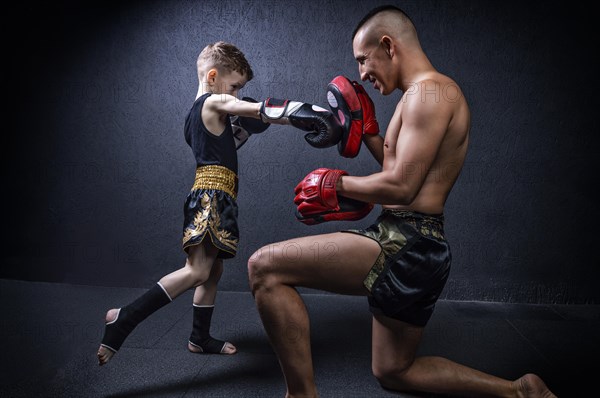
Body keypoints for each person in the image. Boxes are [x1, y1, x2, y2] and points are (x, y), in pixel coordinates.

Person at [247, 6, 556, 398]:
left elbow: (402, 189)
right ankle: (520, 391)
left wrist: (336, 182)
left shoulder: (432, 93)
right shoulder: (417, 96)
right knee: (394, 371)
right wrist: (370, 132)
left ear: (388, 45)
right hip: (413, 243)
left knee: (265, 267)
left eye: (363, 59)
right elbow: (401, 171)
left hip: (407, 240)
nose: (362, 72)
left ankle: (301, 395)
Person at [97, 41, 342, 366]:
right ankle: (124, 318)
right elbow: (259, 109)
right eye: (235, 86)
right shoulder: (213, 102)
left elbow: (236, 135)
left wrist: (260, 124)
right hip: (212, 196)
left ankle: (199, 338)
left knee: (212, 271)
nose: (237, 95)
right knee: (197, 270)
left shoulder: (198, 116)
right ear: (213, 77)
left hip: (218, 195)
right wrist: (312, 114)